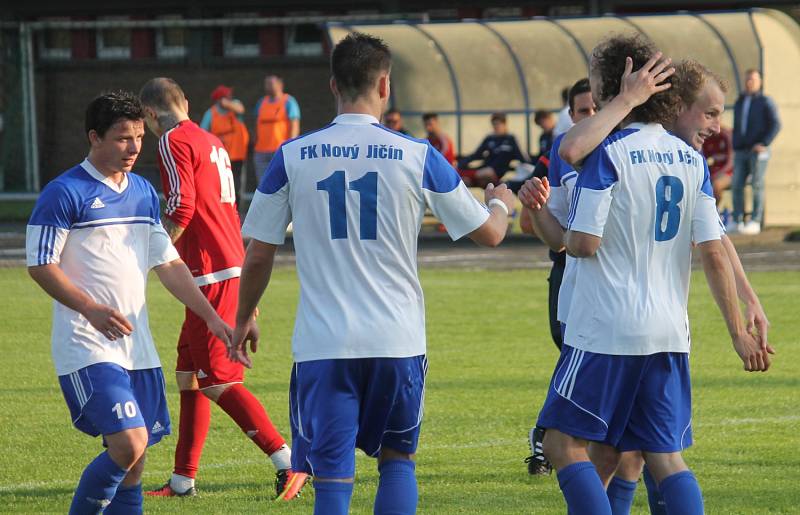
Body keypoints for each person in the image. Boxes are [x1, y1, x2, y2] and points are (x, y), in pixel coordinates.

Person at [228, 32, 515, 515]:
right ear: (385, 85)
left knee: (333, 478)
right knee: (398, 462)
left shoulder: (293, 155)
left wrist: (243, 317)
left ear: (333, 85)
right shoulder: (417, 154)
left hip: (325, 344)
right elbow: (490, 234)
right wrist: (500, 204)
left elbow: (257, 254)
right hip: (397, 341)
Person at [532, 35, 771, 515]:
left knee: (561, 445)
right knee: (662, 456)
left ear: (616, 87)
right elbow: (714, 252)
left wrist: (562, 225)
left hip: (607, 329)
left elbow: (581, 243)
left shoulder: (607, 151)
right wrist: (738, 329)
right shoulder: (691, 161)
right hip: (668, 333)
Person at [25, 90, 233, 514]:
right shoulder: (64, 192)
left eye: (139, 136)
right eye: (122, 138)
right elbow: (40, 264)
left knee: (136, 462)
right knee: (129, 442)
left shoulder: (142, 191)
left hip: (137, 350)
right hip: (87, 345)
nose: (135, 147)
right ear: (94, 137)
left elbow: (170, 264)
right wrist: (90, 309)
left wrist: (211, 317)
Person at [138, 78, 305, 501]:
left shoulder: (172, 140)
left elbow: (182, 205)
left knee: (216, 381)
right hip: (226, 266)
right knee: (189, 377)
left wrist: (149, 256)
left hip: (208, 272)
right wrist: (248, 298)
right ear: (186, 103)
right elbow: (224, 210)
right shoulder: (210, 139)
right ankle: (182, 482)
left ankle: (288, 462)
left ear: (151, 115)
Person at [519, 77, 596, 476]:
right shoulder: (561, 152)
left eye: (598, 108)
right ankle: (550, 432)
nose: (591, 117)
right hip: (570, 273)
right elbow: (540, 228)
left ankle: (550, 431)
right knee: (573, 352)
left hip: (621, 281)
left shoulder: (624, 148)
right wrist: (533, 203)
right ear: (571, 115)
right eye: (583, 111)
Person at [730, 69, 780, 235]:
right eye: (747, 79)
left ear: (760, 82)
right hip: (741, 151)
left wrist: (764, 143)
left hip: (758, 151)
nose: (749, 82)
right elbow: (738, 126)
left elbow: (776, 124)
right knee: (737, 184)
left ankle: (755, 221)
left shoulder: (766, 102)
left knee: (757, 184)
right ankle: (737, 220)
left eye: (752, 79)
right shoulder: (740, 101)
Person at [200, 85, 249, 206]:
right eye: (226, 97)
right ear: (219, 99)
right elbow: (202, 132)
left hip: (237, 154)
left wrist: (227, 104)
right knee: (221, 185)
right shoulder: (211, 113)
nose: (230, 98)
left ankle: (238, 209)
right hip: (220, 157)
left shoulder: (235, 106)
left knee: (237, 185)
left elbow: (241, 109)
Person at [457, 112, 529, 187]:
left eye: (498, 124)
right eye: (494, 124)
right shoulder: (489, 138)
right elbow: (476, 155)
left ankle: (462, 174)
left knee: (486, 172)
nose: (496, 127)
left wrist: (526, 168)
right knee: (465, 181)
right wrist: (462, 163)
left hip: (497, 172)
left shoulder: (511, 139)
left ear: (504, 124)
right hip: (485, 169)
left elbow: (522, 157)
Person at [253, 75, 301, 184]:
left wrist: (291, 146)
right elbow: (256, 123)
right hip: (261, 151)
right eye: (266, 84)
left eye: (270, 83)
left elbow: (295, 125)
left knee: (281, 184)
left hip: (280, 150)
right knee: (263, 184)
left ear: (280, 85)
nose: (267, 86)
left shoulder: (288, 102)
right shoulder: (261, 102)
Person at [702, 125, 733, 207]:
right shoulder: (707, 138)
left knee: (717, 185)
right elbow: (704, 160)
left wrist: (717, 174)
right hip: (714, 172)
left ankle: (715, 211)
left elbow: (731, 163)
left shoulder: (726, 135)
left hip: (728, 173)